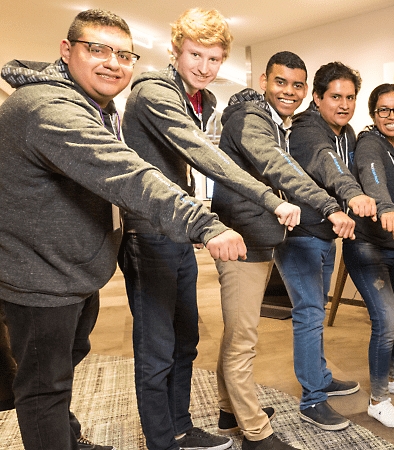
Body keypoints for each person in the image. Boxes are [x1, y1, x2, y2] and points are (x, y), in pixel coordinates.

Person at [0, 9, 248, 450]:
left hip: (70, 270)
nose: (113, 63)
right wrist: (205, 224)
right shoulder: (48, 108)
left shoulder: (94, 107)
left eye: (123, 54)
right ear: (66, 51)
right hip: (39, 278)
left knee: (64, 366)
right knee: (43, 388)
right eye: (97, 49)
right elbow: (129, 175)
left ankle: (68, 438)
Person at [119, 8, 300, 450]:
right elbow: (204, 154)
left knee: (187, 340)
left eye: (215, 58)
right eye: (196, 54)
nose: (205, 66)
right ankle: (162, 441)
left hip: (178, 229)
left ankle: (181, 427)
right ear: (175, 51)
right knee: (157, 348)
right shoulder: (154, 93)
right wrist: (271, 199)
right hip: (148, 232)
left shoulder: (201, 99)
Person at [213, 51, 355, 450]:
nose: (288, 92)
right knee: (244, 340)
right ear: (264, 81)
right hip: (242, 239)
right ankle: (256, 435)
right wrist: (329, 206)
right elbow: (277, 166)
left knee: (237, 333)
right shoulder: (251, 119)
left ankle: (228, 410)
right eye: (280, 82)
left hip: (256, 238)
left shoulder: (277, 123)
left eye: (296, 85)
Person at [275, 61, 376, 432]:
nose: (344, 104)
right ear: (317, 98)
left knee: (314, 313)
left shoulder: (347, 132)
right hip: (298, 236)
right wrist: (352, 194)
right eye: (335, 96)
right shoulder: (306, 130)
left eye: (350, 97)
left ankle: (320, 377)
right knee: (309, 314)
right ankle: (312, 399)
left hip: (325, 236)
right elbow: (326, 161)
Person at [341, 83, 394, 429]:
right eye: (383, 110)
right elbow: (372, 177)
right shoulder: (369, 144)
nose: (392, 116)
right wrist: (388, 208)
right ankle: (379, 399)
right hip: (367, 247)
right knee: (386, 321)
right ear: (373, 115)